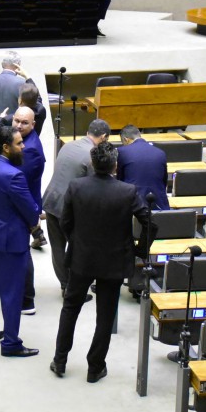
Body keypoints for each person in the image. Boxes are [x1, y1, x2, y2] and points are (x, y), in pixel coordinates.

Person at [51, 143, 155, 382]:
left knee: (70, 308)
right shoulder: (127, 191)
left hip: (81, 259)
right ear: (115, 165)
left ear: (92, 163)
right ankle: (95, 367)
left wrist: (76, 242)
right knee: (105, 316)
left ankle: (60, 360)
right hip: (114, 262)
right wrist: (140, 250)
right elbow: (148, 221)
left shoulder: (77, 186)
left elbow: (65, 221)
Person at [0, 123, 41, 357]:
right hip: (11, 240)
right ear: (5, 147)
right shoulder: (14, 176)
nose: (23, 146)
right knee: (12, 293)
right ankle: (11, 342)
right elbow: (32, 212)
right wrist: (36, 209)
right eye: (19, 143)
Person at [40, 119, 110, 289]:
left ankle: (65, 285)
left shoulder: (68, 145)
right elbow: (94, 186)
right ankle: (73, 288)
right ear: (104, 137)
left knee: (57, 248)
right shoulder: (92, 155)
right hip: (69, 209)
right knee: (78, 249)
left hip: (51, 201)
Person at [13, 104, 44, 313]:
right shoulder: (22, 138)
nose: (19, 125)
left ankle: (27, 300)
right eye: (16, 120)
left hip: (24, 207)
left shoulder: (30, 149)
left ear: (33, 124)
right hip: (23, 204)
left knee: (23, 253)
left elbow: (18, 184)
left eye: (24, 123)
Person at [115, 125, 170, 210]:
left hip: (133, 204)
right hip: (158, 203)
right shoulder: (160, 153)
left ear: (126, 139)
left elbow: (120, 180)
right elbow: (164, 181)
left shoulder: (122, 152)